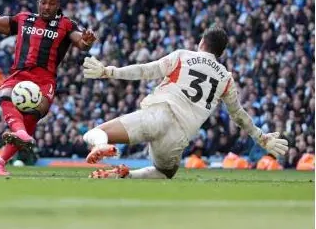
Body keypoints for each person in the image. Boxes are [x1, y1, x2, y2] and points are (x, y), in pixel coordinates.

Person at [81, 24, 288, 179]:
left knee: (96, 133)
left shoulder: (183, 56)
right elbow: (239, 115)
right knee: (165, 172)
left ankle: (101, 145)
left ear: (201, 43)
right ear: (221, 53)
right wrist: (261, 137)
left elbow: (146, 70)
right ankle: (128, 175)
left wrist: (109, 71)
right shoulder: (225, 78)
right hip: (179, 136)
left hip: (160, 115)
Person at [0, 0, 97, 176]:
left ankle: (12, 143)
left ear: (59, 6)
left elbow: (81, 42)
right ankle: (1, 160)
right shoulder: (23, 19)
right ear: (38, 2)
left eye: (52, 3)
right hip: (19, 74)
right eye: (43, 2)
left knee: (33, 113)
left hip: (44, 80)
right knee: (4, 95)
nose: (46, 7)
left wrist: (87, 40)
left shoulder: (65, 24)